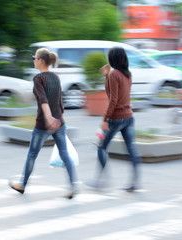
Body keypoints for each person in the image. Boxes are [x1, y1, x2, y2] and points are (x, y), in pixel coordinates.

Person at [9, 48, 78, 199]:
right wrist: (58, 119)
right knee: (65, 154)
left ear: (40, 61)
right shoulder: (56, 77)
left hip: (43, 124)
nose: (33, 60)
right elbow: (60, 102)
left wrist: (48, 119)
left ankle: (22, 185)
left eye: (34, 58)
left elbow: (43, 100)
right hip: (60, 122)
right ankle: (73, 185)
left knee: (32, 155)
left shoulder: (38, 79)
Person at [86, 47, 141, 192]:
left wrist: (105, 119)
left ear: (112, 59)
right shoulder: (127, 74)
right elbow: (114, 94)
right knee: (131, 150)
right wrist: (106, 76)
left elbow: (113, 99)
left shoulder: (114, 75)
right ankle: (135, 182)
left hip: (116, 119)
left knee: (101, 147)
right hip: (129, 117)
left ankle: (102, 181)